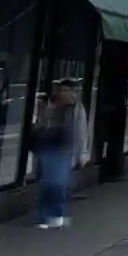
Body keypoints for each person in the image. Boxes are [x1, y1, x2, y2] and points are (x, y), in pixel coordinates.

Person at [33, 80, 89, 229]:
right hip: (48, 147)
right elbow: (41, 124)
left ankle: (56, 215)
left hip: (64, 149)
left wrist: (82, 152)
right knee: (46, 183)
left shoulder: (77, 108)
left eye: (67, 90)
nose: (64, 93)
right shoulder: (51, 105)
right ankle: (44, 217)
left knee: (57, 184)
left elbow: (81, 132)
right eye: (61, 90)